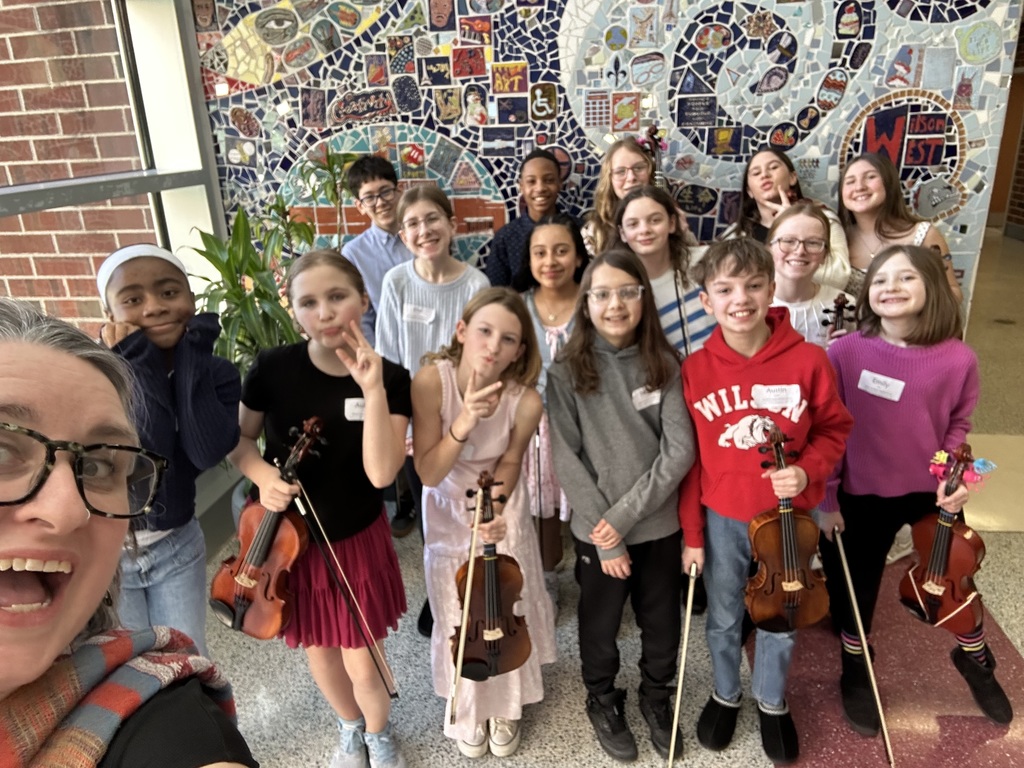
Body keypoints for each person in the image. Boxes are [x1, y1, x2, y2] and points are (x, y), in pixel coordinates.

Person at [0, 297, 256, 768]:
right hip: (128, 561)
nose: (69, 510)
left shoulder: (209, 369)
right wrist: (137, 355)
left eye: (97, 465)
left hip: (175, 544)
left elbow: (200, 447)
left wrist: (192, 350)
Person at [817, 244, 1013, 736]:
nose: (891, 288)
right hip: (860, 492)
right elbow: (828, 429)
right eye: (881, 280)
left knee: (956, 578)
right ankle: (857, 667)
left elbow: (958, 425)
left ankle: (975, 656)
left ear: (931, 288)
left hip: (929, 490)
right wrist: (827, 498)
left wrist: (953, 479)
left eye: (905, 278)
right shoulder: (843, 351)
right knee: (854, 588)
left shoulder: (958, 357)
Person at [228, 250, 410, 768]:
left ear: (363, 299)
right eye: (309, 302)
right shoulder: (271, 369)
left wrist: (371, 389)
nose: (325, 312)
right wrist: (265, 477)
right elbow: (240, 442)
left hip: (353, 538)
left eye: (337, 297)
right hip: (289, 545)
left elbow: (381, 474)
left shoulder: (393, 380)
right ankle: (349, 728)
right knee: (318, 647)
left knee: (361, 657)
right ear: (294, 313)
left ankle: (378, 734)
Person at [679, 239, 852, 764]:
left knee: (782, 610)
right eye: (725, 288)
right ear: (706, 300)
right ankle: (725, 691)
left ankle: (772, 700)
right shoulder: (695, 369)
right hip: (723, 517)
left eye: (754, 285)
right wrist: (692, 536)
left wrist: (807, 470)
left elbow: (834, 429)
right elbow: (691, 462)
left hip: (789, 521)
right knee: (726, 612)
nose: (741, 298)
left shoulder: (809, 361)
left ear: (772, 289)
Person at [548, 249, 696, 762]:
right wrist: (604, 532)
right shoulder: (566, 372)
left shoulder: (665, 363)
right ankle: (603, 697)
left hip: (655, 525)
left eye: (627, 292)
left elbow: (679, 451)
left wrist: (622, 520)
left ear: (643, 299)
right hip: (597, 530)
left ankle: (657, 695)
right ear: (585, 302)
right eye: (602, 293)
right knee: (600, 623)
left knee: (662, 620)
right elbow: (566, 460)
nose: (615, 304)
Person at [411, 287, 556, 758]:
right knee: (459, 612)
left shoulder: (526, 400)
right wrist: (466, 420)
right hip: (448, 504)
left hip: (497, 505)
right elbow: (429, 471)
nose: (494, 345)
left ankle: (507, 705)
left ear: (520, 351)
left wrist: (496, 507)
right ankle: (467, 705)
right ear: (462, 332)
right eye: (484, 331)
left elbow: (512, 462)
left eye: (508, 339)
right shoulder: (432, 382)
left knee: (506, 605)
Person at [96, 243, 241, 657]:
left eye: (169, 293)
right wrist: (135, 364)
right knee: (130, 668)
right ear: (110, 315)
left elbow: (204, 451)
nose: (156, 307)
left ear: (192, 301)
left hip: (176, 545)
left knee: (187, 662)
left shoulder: (218, 374)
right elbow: (146, 454)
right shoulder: (94, 376)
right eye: (133, 299)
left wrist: (193, 359)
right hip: (108, 556)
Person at [377, 186, 490, 635]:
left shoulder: (476, 283)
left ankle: (477, 586)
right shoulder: (397, 282)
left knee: (467, 501)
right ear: (403, 235)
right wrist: (396, 422)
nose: (425, 230)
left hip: (464, 409)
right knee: (431, 509)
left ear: (451, 224)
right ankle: (439, 589)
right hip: (413, 414)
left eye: (433, 219)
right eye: (413, 224)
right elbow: (388, 355)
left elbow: (480, 352)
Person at [510, 213, 589, 615]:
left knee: (585, 501)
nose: (551, 261)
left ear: (578, 257)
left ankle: (592, 572)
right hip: (531, 429)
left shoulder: (593, 303)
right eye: (540, 252)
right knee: (538, 507)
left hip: (584, 426)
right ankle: (546, 577)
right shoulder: (518, 306)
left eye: (561, 250)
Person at [340, 156, 416, 538]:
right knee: (394, 431)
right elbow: (360, 316)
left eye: (385, 191)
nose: (381, 202)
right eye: (370, 197)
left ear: (398, 188)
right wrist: (375, 361)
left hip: (425, 352)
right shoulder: (354, 253)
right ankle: (405, 501)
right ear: (360, 205)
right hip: (384, 357)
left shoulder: (418, 232)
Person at [839, 152, 962, 302]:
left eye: (870, 177)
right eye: (850, 181)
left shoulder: (924, 235)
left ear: (889, 183)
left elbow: (953, 293)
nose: (859, 187)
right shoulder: (838, 238)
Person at [724, 148, 850, 292]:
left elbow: (840, 276)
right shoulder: (736, 235)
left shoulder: (824, 221)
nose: (765, 175)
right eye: (756, 173)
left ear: (792, 178)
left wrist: (793, 226)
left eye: (773, 167)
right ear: (749, 191)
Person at [614, 185, 716, 355]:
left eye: (655, 220)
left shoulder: (708, 261)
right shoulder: (624, 289)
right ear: (622, 233)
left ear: (672, 223)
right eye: (633, 224)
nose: (644, 230)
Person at [768, 202, 854, 349]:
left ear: (825, 255)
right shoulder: (751, 304)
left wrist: (837, 355)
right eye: (788, 241)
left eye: (813, 243)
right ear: (770, 248)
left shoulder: (848, 305)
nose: (800, 251)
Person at [486, 149, 568, 286]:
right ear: (521, 186)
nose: (540, 188)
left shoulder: (580, 230)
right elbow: (496, 295)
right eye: (531, 181)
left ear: (560, 183)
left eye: (549, 180)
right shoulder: (505, 238)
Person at [583, 136, 654, 257]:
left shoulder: (671, 219)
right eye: (620, 172)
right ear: (609, 179)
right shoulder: (593, 231)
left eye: (639, 168)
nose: (631, 177)